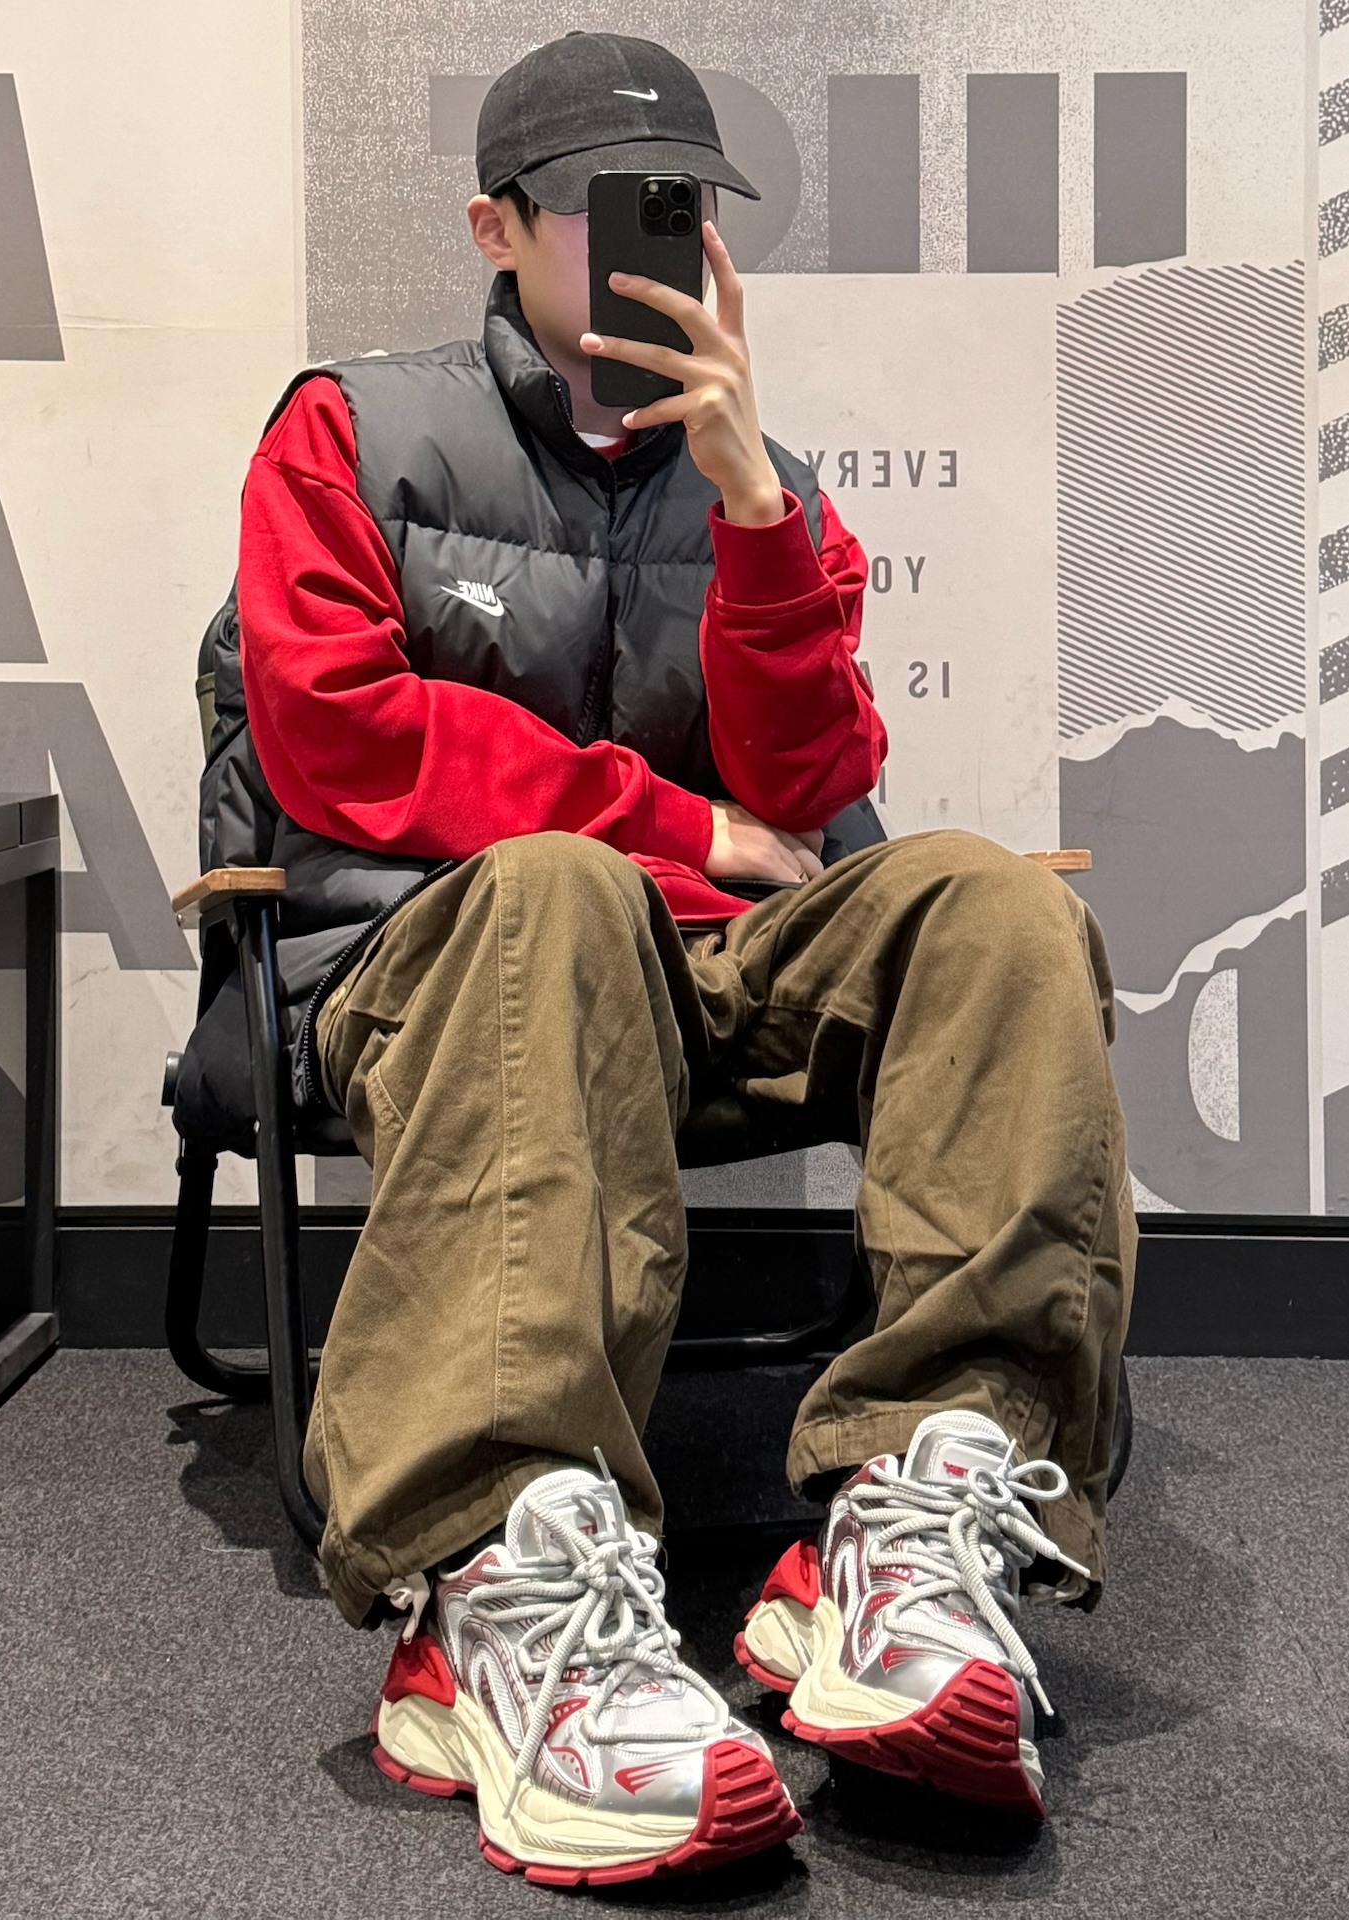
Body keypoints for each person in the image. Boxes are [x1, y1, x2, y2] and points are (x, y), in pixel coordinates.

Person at [193, 29, 1134, 1887]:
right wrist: (670, 828)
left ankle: (911, 1524)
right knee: (555, 888)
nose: (666, 245)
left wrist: (756, 507)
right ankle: (499, 1585)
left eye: (691, 210)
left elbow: (815, 784)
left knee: (999, 904)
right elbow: (337, 739)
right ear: (495, 225)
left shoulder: (761, 473)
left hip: (705, 978)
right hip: (429, 965)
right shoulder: (348, 432)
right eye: (615, 210)